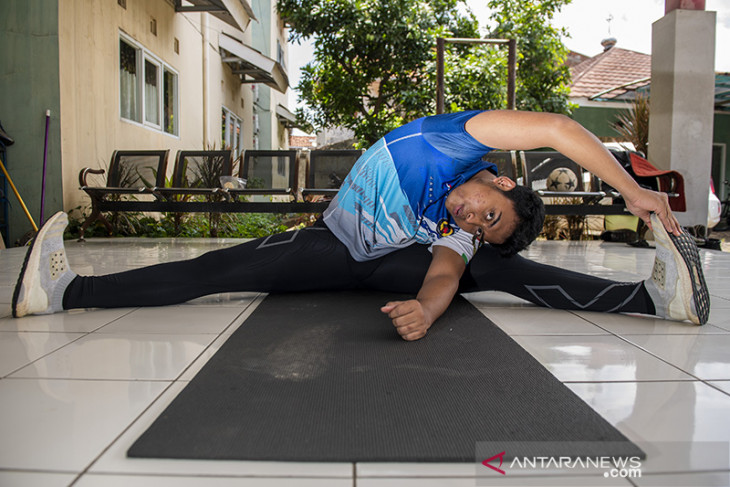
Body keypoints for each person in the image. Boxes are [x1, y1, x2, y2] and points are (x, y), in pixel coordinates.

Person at [12, 110, 710, 340]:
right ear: (498, 177)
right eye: (487, 210)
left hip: (393, 264)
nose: (472, 216)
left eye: (482, 223)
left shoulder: (459, 232)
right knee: (216, 271)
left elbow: (443, 271)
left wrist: (427, 313)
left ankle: (653, 299)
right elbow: (558, 127)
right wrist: (633, 192)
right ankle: (66, 293)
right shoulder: (457, 139)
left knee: (501, 271)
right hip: (329, 247)